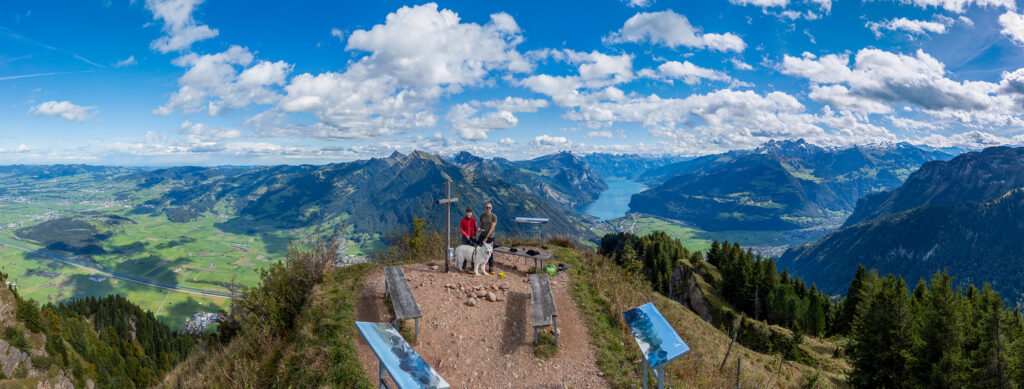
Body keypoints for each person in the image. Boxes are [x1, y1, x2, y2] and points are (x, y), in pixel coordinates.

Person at [477, 203, 497, 272]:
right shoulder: (482, 215)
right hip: (482, 235)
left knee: (490, 252)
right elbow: (480, 225)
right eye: (487, 207)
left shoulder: (494, 216)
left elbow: (492, 228)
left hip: (490, 236)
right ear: (485, 208)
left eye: (489, 207)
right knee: (477, 249)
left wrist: (486, 237)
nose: (488, 209)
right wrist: (479, 228)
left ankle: (491, 267)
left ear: (491, 208)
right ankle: (474, 265)